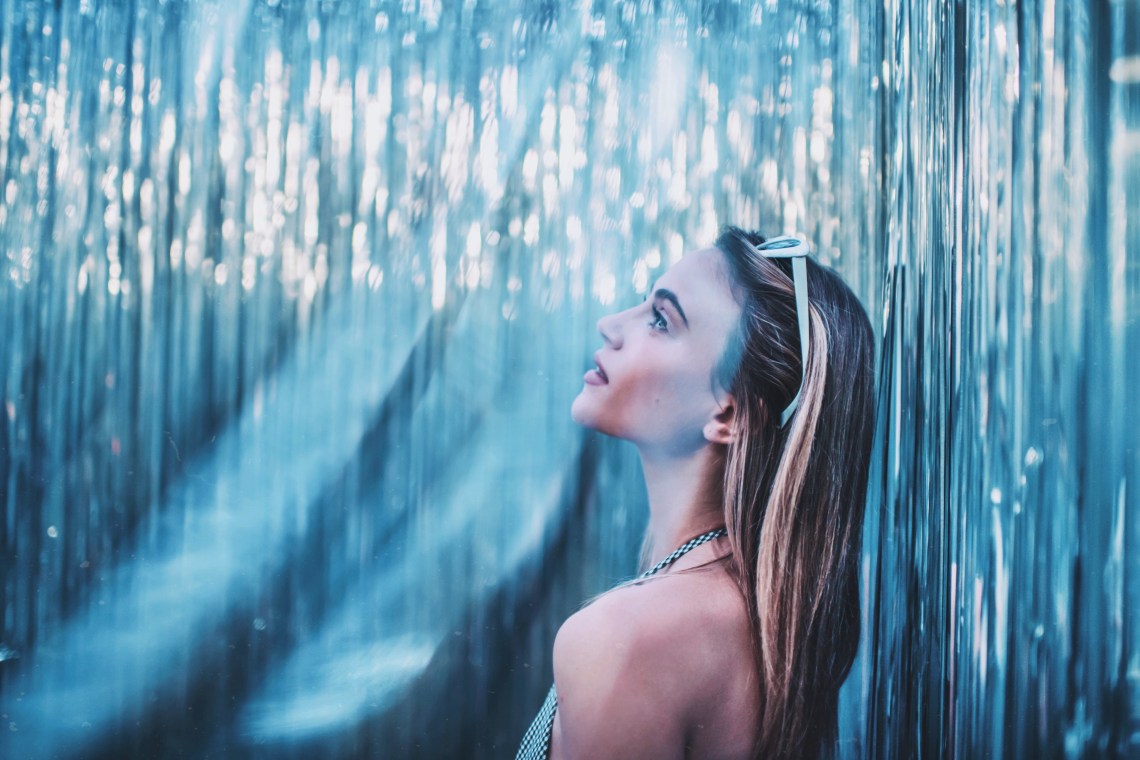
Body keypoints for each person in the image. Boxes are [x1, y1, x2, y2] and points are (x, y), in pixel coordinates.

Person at [516, 226, 876, 760]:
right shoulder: (760, 620)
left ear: (728, 413)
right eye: (644, 305)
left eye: (662, 319)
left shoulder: (623, 640)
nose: (611, 325)